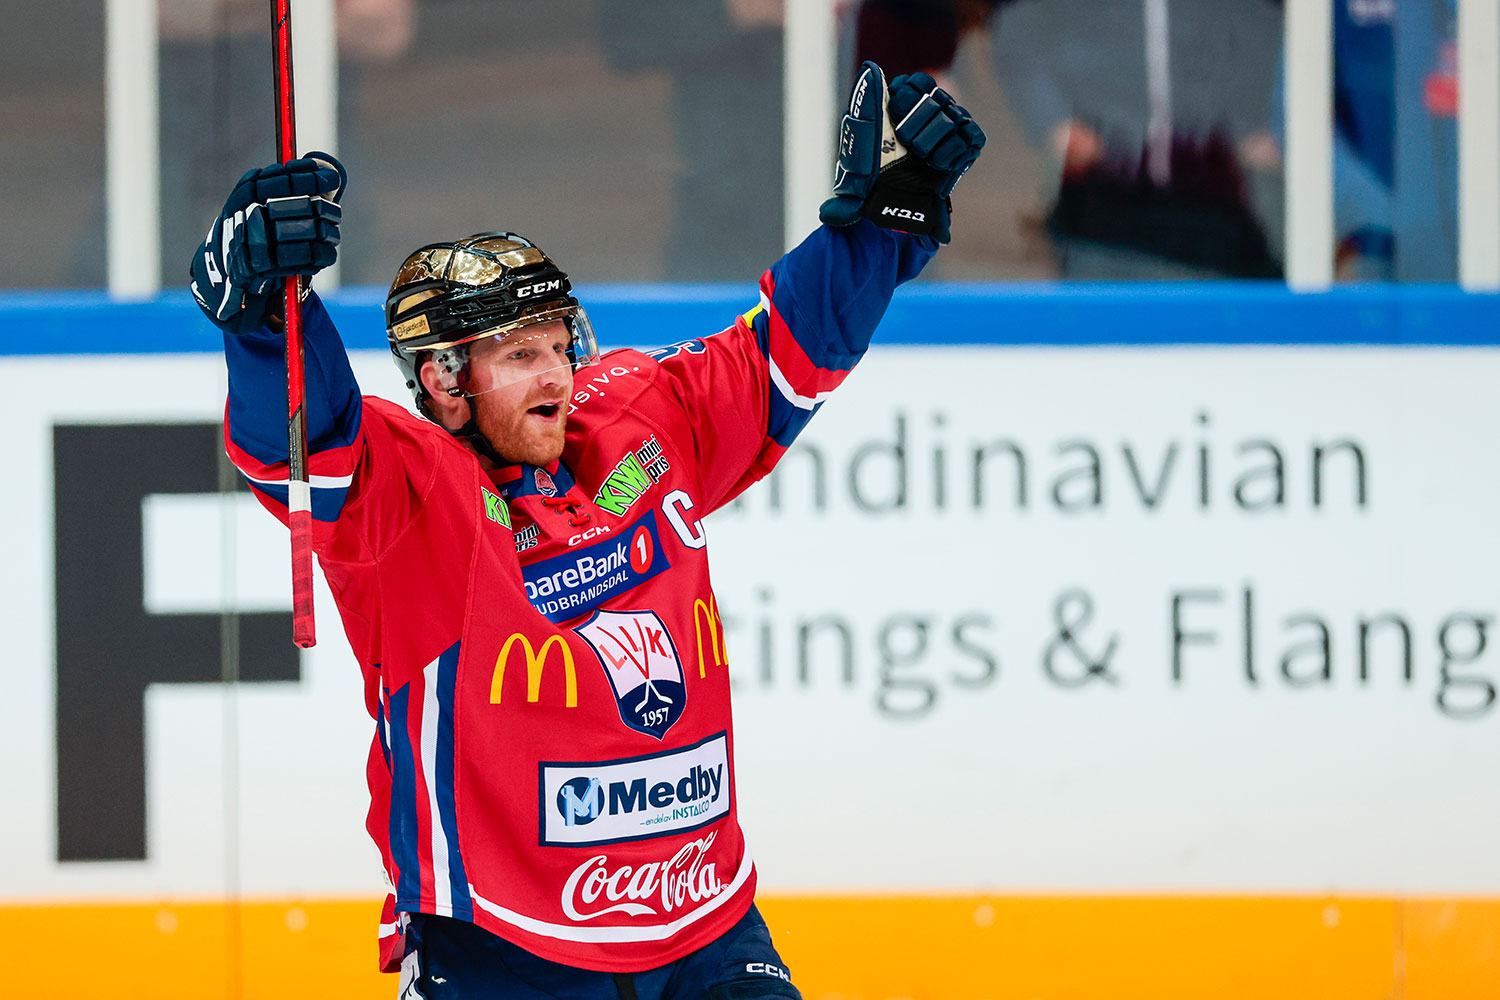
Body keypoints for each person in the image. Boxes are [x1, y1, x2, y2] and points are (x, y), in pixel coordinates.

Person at [188, 63, 983, 999]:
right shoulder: (413, 502)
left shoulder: (634, 425)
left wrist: (885, 221)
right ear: (443, 380)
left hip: (706, 926)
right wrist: (262, 317)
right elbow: (312, 435)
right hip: (505, 950)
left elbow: (784, 350)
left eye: (560, 345)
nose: (557, 376)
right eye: (520, 356)